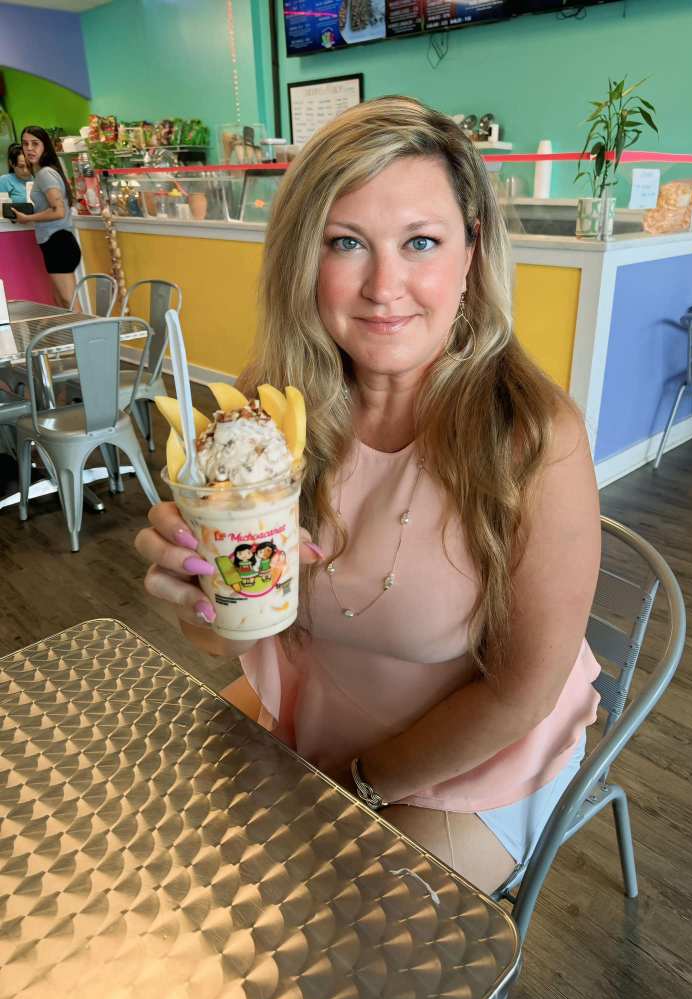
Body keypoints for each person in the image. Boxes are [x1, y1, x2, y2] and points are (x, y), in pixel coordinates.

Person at [136, 96, 601, 895]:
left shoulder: (533, 436)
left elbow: (520, 693)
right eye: (346, 243)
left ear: (470, 252)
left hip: (474, 758)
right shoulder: (269, 412)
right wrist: (199, 603)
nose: (385, 287)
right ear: (304, 259)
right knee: (179, 864)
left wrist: (359, 784)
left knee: (339, 927)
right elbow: (230, 632)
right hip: (310, 715)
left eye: (421, 241)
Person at [12, 126, 81, 307]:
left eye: (35, 144)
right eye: (25, 144)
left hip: (59, 242)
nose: (29, 149)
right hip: (56, 242)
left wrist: (28, 218)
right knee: (61, 303)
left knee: (69, 303)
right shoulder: (45, 172)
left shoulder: (45, 174)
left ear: (45, 146)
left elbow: (58, 211)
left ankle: (91, 327)